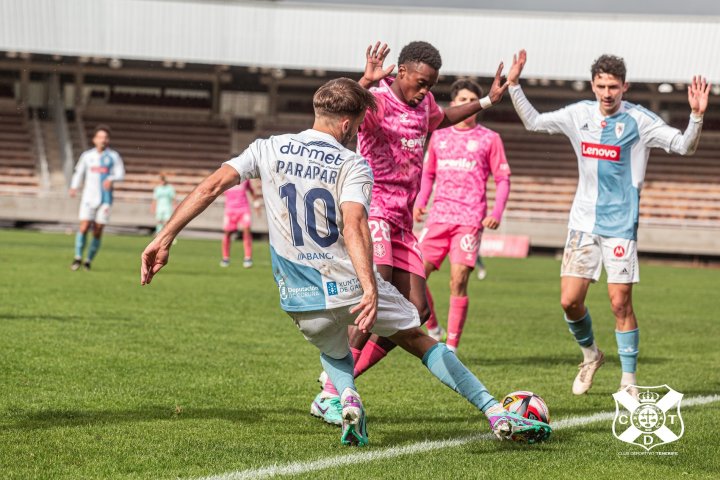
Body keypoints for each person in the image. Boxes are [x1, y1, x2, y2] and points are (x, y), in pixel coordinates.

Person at [140, 78, 551, 447]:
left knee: (335, 351)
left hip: (296, 297)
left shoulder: (267, 147)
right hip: (346, 284)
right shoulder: (352, 163)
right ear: (347, 125)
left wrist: (164, 237)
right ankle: (495, 412)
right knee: (418, 337)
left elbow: (211, 185)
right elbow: (354, 223)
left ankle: (346, 398)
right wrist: (369, 287)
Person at [313, 41, 509, 420]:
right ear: (401, 72)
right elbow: (343, 113)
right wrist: (366, 82)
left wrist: (486, 102)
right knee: (376, 293)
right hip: (375, 212)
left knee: (415, 311)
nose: (425, 91)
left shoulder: (425, 106)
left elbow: (444, 117)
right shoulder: (379, 102)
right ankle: (331, 390)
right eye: (420, 82)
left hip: (403, 222)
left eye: (431, 84)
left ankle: (337, 378)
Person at [506, 50, 710, 396]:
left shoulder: (640, 121)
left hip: (620, 226)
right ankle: (591, 356)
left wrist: (696, 116)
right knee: (569, 302)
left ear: (624, 86)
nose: (606, 92)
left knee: (620, 303)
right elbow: (534, 122)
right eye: (601, 85)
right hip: (582, 223)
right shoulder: (578, 115)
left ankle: (628, 381)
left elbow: (684, 147)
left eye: (613, 86)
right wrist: (513, 85)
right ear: (593, 85)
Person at [414, 79, 511, 351]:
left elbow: (503, 178)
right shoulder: (440, 135)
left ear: (478, 106)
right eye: (461, 100)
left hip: (469, 220)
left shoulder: (489, 139)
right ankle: (433, 327)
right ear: (453, 104)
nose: (466, 104)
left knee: (458, 280)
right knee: (416, 277)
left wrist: (497, 212)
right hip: (438, 217)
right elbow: (428, 174)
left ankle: (452, 346)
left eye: (472, 99)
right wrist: (420, 202)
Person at [69, 125, 125, 271]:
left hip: (106, 199)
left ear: (109, 140)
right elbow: (78, 172)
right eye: (100, 137)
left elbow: (121, 174)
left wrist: (111, 179)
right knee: (84, 226)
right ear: (94, 139)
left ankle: (88, 260)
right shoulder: (87, 156)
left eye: (105, 137)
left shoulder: (114, 156)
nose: (103, 140)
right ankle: (77, 257)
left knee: (98, 229)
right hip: (88, 197)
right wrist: (74, 186)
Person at [220, 180, 257, 268]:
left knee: (247, 231)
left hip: (243, 209)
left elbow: (251, 190)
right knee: (227, 233)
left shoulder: (245, 180)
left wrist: (256, 204)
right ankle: (225, 258)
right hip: (230, 210)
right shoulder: (227, 180)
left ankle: (248, 258)